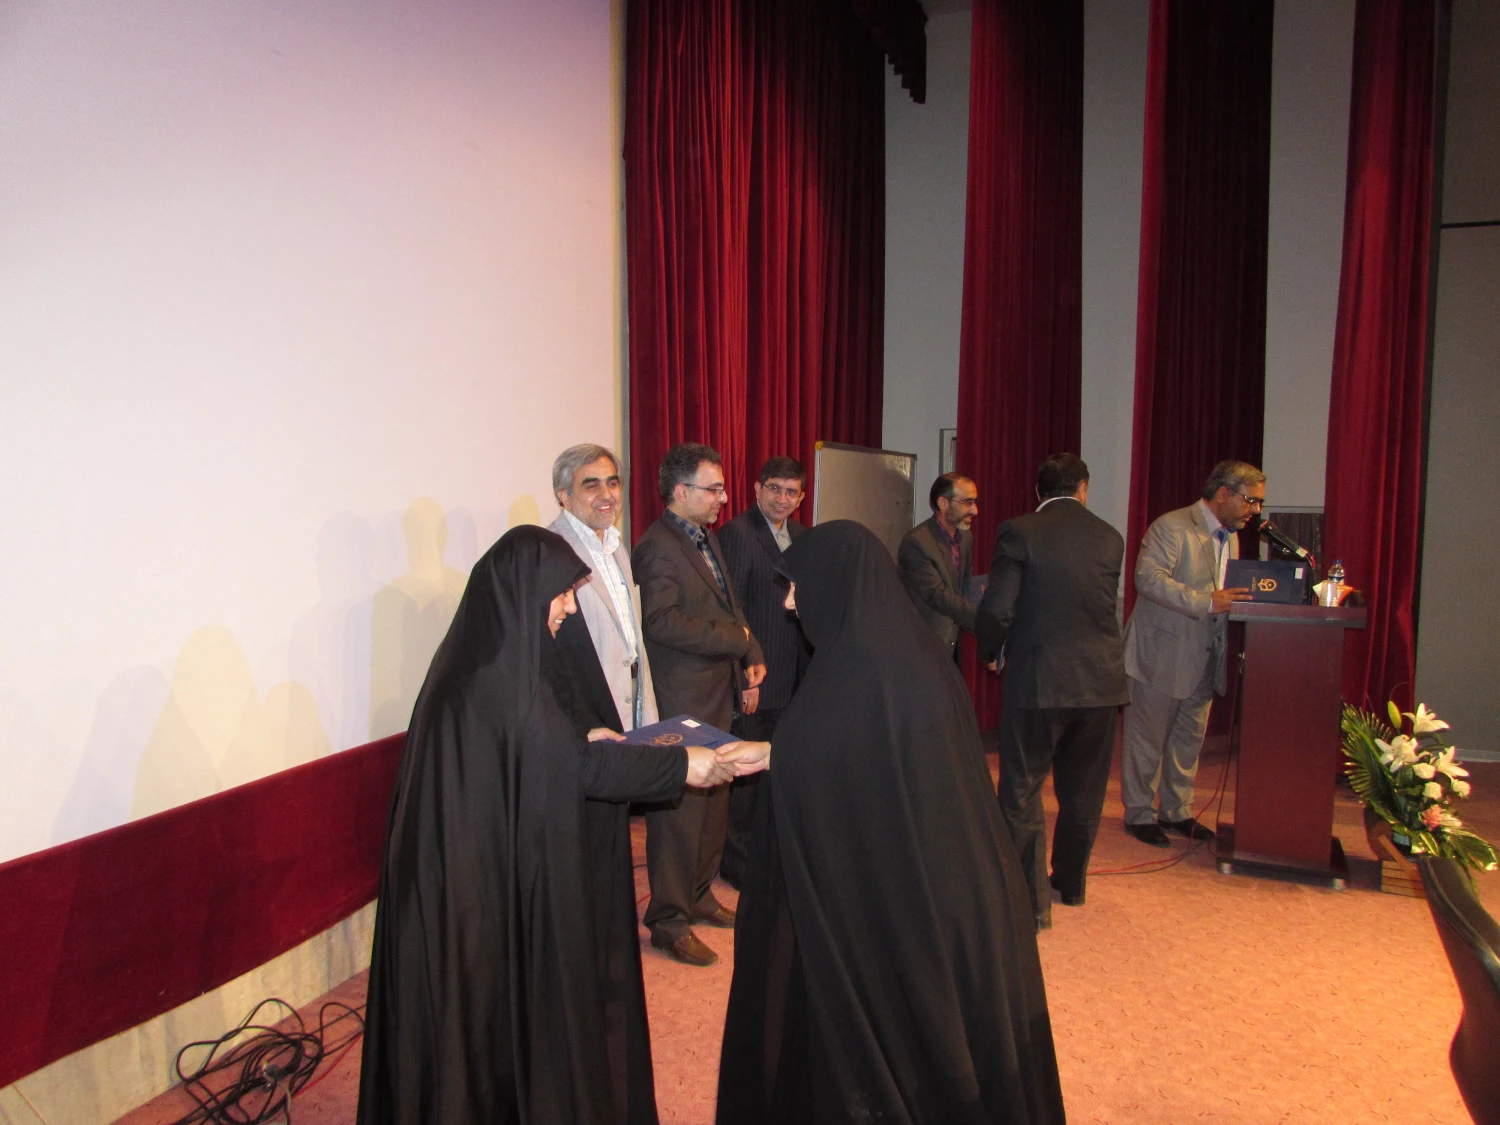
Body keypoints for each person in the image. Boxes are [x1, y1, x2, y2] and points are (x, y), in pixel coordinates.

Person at [356, 526, 728, 1125]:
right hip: (473, 898)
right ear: (523, 592)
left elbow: (546, 751)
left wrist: (584, 735)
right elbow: (573, 766)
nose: (568, 608)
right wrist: (683, 764)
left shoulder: (487, 661)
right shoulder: (502, 682)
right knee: (481, 1020)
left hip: (472, 876)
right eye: (561, 594)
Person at [714, 521, 1064, 1125]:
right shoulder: (906, 655)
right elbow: (859, 757)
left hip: (897, 910)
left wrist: (782, 754)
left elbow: (835, 756)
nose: (790, 603)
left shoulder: (859, 670)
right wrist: (776, 753)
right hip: (942, 891)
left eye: (796, 587)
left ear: (836, 583)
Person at [976, 453, 1128, 930]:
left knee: (1022, 789)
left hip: (1039, 681)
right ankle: (1072, 884)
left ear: (1038, 490)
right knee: (1084, 791)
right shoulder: (1110, 536)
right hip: (1101, 684)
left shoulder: (1020, 531)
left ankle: (1030, 902)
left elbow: (998, 608)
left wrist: (990, 650)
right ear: (1083, 488)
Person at [632, 443, 766, 967]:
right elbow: (661, 623)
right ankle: (668, 920)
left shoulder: (703, 537)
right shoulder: (657, 546)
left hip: (718, 690)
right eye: (713, 489)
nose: (723, 498)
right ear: (680, 491)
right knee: (681, 816)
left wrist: (750, 650)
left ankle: (699, 895)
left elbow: (731, 607)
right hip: (683, 698)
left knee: (714, 804)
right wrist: (733, 639)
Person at [1120, 460, 1262, 847]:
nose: (1255, 510)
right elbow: (1148, 579)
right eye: (1250, 500)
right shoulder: (1172, 526)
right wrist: (1207, 601)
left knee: (1187, 741)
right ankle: (1138, 814)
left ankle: (1176, 811)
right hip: (1161, 654)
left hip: (1205, 655)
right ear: (1223, 494)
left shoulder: (1230, 537)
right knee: (1147, 740)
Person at [716, 455, 811, 889]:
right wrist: (743, 675)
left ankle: (770, 857)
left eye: (791, 492)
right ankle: (738, 866)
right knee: (747, 782)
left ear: (801, 497)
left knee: (782, 773)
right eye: (774, 488)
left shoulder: (804, 537)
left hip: (797, 679)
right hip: (757, 678)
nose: (782, 499)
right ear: (757, 489)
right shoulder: (738, 533)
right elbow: (730, 609)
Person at [548, 443, 658, 735]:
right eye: (591, 486)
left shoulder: (617, 547)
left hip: (633, 696)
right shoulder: (551, 551)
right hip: (587, 711)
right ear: (564, 496)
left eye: (612, 483)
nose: (607, 495)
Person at [898, 472, 979, 653]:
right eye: (967, 502)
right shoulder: (917, 542)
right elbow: (936, 594)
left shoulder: (965, 537)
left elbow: (964, 588)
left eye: (974, 502)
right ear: (943, 503)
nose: (975, 510)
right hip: (921, 646)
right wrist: (983, 618)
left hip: (952, 644)